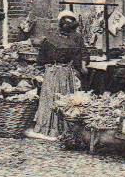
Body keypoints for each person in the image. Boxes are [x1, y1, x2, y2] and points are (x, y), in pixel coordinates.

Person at [31, 10, 87, 138]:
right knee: (65, 99)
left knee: (50, 98)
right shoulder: (73, 44)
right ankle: (64, 128)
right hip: (66, 74)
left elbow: (40, 60)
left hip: (52, 73)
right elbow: (78, 63)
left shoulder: (48, 40)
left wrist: (42, 69)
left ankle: (46, 128)